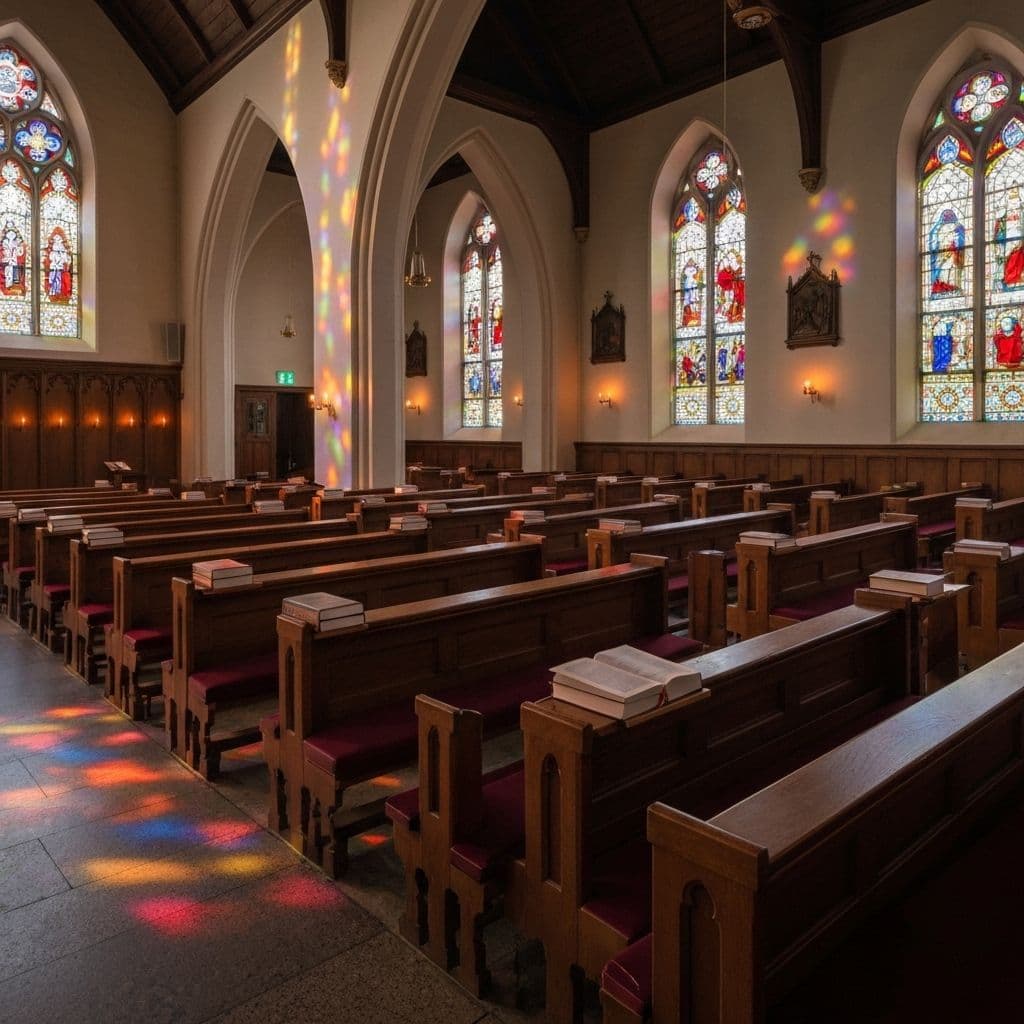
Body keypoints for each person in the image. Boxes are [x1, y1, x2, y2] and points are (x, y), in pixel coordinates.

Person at [994, 186, 1024, 289]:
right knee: (1009, 259)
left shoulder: (1021, 211)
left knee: (1018, 257)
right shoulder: (1003, 215)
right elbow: (999, 228)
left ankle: (1017, 278)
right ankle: (1009, 279)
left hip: (1019, 238)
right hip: (1008, 240)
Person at [929, 209, 965, 295]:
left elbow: (960, 241)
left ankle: (954, 289)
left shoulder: (958, 226)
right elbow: (934, 243)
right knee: (942, 273)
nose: (947, 217)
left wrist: (953, 246)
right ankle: (943, 289)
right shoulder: (938, 228)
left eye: (949, 215)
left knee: (952, 271)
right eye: (946, 215)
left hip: (953, 255)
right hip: (941, 256)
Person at [45, 230, 72, 302]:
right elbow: (51, 258)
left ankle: (59, 293)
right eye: (56, 240)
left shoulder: (63, 251)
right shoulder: (53, 251)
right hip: (54, 267)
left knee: (59, 280)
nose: (57, 242)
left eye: (59, 239)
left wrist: (62, 258)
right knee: (53, 280)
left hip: (60, 268)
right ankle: (54, 292)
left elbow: (66, 260)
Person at [0, 220, 25, 295]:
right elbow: (3, 252)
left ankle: (14, 286)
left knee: (15, 272)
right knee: (8, 273)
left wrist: (18, 249)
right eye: (9, 233)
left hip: (14, 260)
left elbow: (21, 252)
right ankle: (8, 286)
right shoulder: (4, 242)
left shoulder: (17, 242)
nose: (11, 234)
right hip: (8, 260)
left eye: (12, 233)